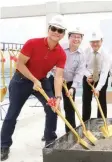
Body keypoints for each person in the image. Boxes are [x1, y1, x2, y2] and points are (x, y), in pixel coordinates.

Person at [0, 15, 67, 161]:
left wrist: (57, 97)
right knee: (12, 113)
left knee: (52, 107)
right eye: (54, 29)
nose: (56, 32)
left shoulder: (61, 53)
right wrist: (34, 79)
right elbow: (20, 64)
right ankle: (4, 146)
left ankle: (50, 138)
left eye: (60, 30)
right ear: (49, 29)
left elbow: (58, 77)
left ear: (63, 34)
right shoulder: (32, 43)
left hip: (42, 81)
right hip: (21, 80)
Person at [41, 27, 86, 141]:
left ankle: (70, 132)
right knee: (52, 107)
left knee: (70, 108)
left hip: (69, 83)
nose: (76, 39)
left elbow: (79, 73)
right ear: (69, 37)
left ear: (81, 39)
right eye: (74, 36)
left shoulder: (82, 55)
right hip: (55, 79)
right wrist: (54, 70)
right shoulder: (60, 47)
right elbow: (50, 61)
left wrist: (73, 88)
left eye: (79, 37)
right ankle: (49, 133)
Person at [82, 31, 109, 122]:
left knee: (101, 102)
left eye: (97, 41)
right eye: (92, 42)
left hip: (101, 77)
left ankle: (101, 122)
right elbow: (82, 67)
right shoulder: (85, 52)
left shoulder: (106, 54)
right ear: (90, 42)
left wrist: (98, 88)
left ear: (101, 41)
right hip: (88, 77)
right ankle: (85, 122)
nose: (95, 44)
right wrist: (88, 75)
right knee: (86, 101)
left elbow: (105, 72)